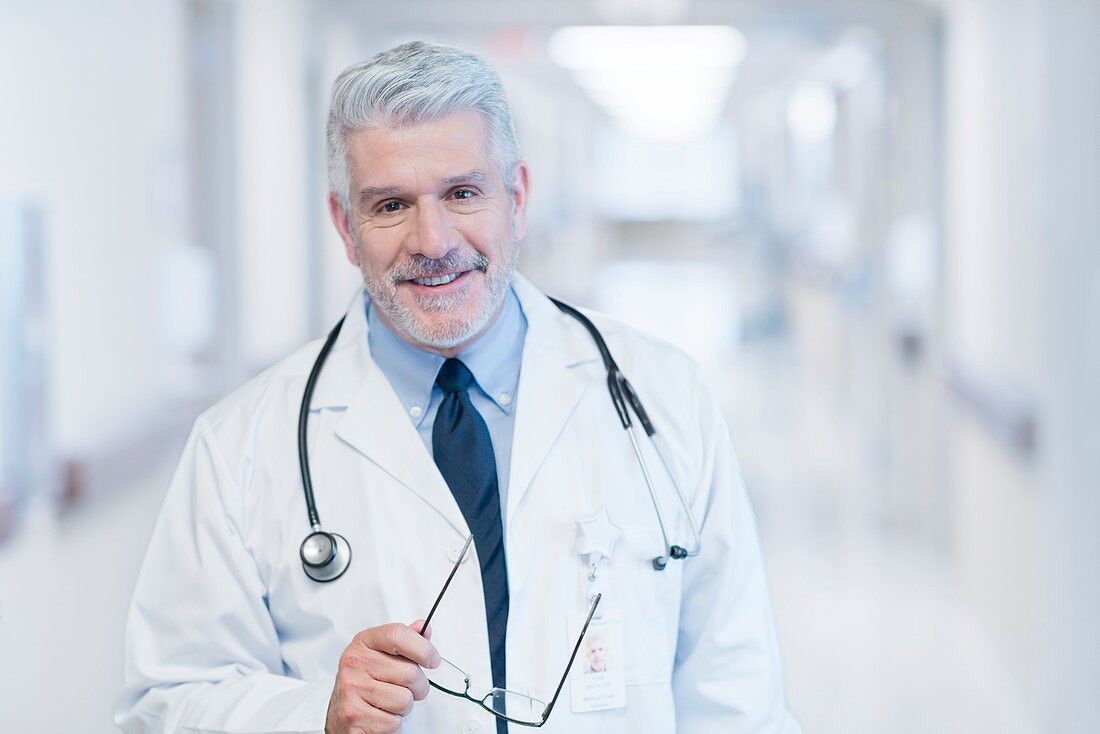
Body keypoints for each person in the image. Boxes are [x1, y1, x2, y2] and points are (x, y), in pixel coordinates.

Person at [115, 41, 801, 734]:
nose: (432, 239)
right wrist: (309, 716)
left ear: (518, 198)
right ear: (345, 227)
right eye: (390, 205)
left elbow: (737, 696)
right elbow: (164, 704)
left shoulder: (666, 396)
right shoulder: (241, 445)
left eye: (463, 193)